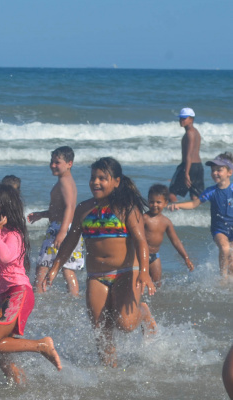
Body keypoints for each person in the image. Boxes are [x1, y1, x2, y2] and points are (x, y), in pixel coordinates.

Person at [42, 157, 156, 366]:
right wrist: (55, 267)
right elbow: (70, 240)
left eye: (103, 178)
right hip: (96, 276)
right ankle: (109, 368)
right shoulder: (84, 209)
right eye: (93, 177)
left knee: (125, 324)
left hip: (125, 272)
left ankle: (143, 312)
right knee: (100, 329)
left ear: (117, 182)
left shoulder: (127, 208)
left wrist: (144, 271)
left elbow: (141, 241)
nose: (96, 182)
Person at [0, 182, 61, 384]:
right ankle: (19, 382)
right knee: (1, 348)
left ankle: (41, 345)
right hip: (7, 294)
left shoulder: (13, 234)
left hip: (18, 292)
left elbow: (5, 257)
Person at [28, 146, 85, 296]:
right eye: (51, 161)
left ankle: (38, 299)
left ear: (69, 164)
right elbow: (60, 210)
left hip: (61, 228)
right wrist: (42, 214)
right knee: (67, 268)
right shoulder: (67, 181)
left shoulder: (64, 182)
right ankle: (74, 299)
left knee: (42, 266)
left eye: (57, 162)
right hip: (70, 228)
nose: (53, 165)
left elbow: (70, 208)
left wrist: (61, 232)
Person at [169, 153, 233, 282]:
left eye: (219, 170)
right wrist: (179, 205)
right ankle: (223, 278)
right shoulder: (211, 191)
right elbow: (194, 204)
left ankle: (229, 279)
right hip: (219, 229)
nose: (215, 173)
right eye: (213, 170)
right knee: (225, 248)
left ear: (229, 172)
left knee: (231, 261)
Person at [143, 184, 194, 286]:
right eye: (151, 202)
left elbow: (176, 241)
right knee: (140, 282)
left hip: (155, 256)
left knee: (157, 283)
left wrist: (186, 258)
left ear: (166, 203)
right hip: (141, 255)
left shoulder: (166, 222)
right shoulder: (144, 218)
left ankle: (155, 301)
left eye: (158, 202)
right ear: (148, 201)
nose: (155, 205)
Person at [169, 107, 204, 202]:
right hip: (198, 167)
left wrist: (186, 173)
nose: (181, 120)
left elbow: (189, 155)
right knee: (195, 195)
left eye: (184, 118)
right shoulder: (196, 132)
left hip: (189, 166)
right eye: (180, 118)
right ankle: (194, 215)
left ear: (191, 119)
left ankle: (177, 214)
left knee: (171, 193)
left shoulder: (190, 133)